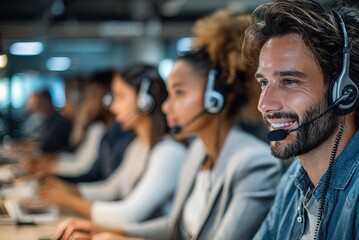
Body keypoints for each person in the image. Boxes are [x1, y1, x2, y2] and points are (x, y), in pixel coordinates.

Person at [52, 10, 282, 240]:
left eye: (179, 93)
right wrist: (107, 231)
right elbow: (175, 228)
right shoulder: (196, 153)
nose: (166, 106)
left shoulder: (254, 163)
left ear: (216, 96)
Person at [241, 0, 359, 239]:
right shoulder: (294, 180)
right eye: (264, 83)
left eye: (289, 81)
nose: (264, 104)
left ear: (344, 93)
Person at [38, 64, 186, 226]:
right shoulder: (138, 146)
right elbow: (111, 189)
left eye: (120, 97)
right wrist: (69, 190)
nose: (114, 107)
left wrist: (69, 199)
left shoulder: (168, 153)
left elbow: (130, 215)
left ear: (145, 101)